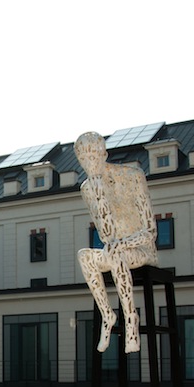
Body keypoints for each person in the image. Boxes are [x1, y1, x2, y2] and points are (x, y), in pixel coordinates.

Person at [75, 132, 158, 353]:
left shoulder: (132, 176)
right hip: (114, 250)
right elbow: (107, 235)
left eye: (93, 157)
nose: (89, 164)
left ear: (104, 154)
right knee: (85, 256)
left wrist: (121, 244)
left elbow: (150, 231)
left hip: (141, 249)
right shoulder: (87, 188)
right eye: (84, 159)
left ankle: (131, 319)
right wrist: (99, 192)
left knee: (115, 254)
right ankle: (107, 314)